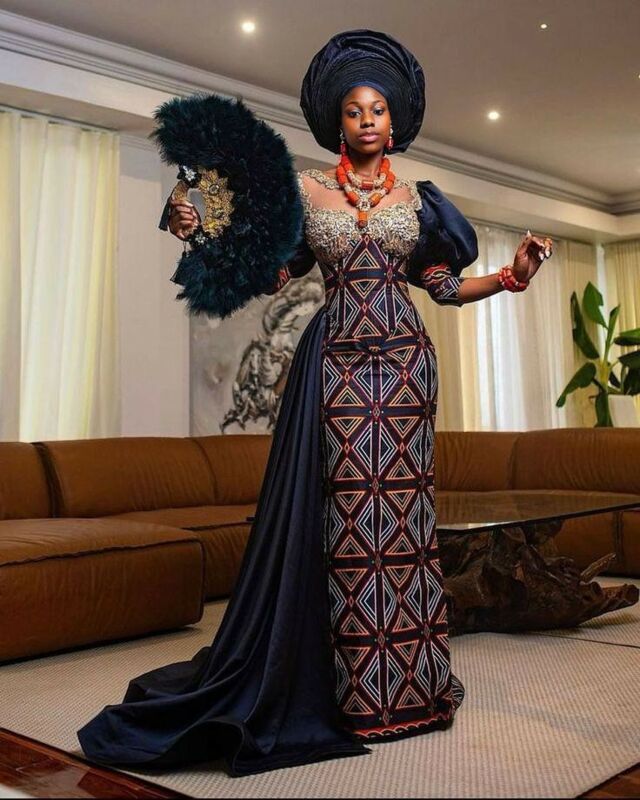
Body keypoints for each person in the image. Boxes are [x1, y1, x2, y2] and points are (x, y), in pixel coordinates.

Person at [77, 28, 553, 777]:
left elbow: (441, 286)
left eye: (378, 110)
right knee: (351, 524)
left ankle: (412, 690)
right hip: (337, 367)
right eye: (354, 110)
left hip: (405, 368)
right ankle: (353, 692)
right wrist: (201, 230)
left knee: (405, 525)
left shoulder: (420, 201)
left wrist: (513, 275)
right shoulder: (305, 194)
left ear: (394, 122)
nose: (367, 120)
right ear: (339, 121)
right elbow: (269, 271)